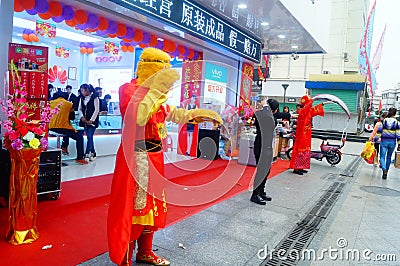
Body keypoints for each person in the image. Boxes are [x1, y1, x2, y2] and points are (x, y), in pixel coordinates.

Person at [107, 47, 222, 266]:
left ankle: (145, 251)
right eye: (163, 71)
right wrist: (157, 88)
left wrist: (197, 114)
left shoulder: (157, 95)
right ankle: (125, 256)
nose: (167, 76)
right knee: (134, 206)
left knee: (153, 205)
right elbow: (139, 115)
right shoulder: (129, 90)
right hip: (136, 157)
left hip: (155, 156)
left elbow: (173, 113)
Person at [289, 95, 328, 175]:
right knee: (300, 150)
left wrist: (323, 104)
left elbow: (314, 110)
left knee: (305, 150)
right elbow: (309, 108)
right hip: (301, 135)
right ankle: (296, 168)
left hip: (306, 135)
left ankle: (301, 167)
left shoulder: (307, 111)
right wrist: (312, 100)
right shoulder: (302, 111)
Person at [49, 92, 88, 165]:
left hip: (51, 127)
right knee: (79, 137)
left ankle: (64, 146)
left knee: (68, 131)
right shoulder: (69, 104)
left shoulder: (50, 103)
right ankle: (80, 158)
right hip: (62, 128)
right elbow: (72, 118)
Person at [250, 96, 275, 205]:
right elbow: (262, 114)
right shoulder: (261, 115)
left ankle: (261, 191)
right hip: (260, 147)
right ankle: (255, 195)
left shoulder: (271, 118)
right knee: (261, 171)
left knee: (267, 170)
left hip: (268, 147)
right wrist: (265, 105)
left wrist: (265, 106)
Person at [78, 83, 100, 162]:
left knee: (89, 136)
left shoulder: (95, 97)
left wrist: (92, 120)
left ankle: (87, 153)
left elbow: (97, 109)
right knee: (89, 137)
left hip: (92, 122)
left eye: (82, 90)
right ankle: (93, 152)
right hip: (85, 121)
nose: (81, 92)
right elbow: (79, 109)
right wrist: (82, 117)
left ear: (87, 90)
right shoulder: (82, 98)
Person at [376, 107, 400, 179]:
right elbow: (398, 134)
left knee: (382, 157)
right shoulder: (397, 123)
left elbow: (379, 131)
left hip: (384, 141)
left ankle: (384, 170)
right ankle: (387, 170)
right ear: (395, 114)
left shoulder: (383, 121)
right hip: (392, 142)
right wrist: (399, 143)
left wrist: (377, 138)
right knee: (389, 157)